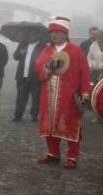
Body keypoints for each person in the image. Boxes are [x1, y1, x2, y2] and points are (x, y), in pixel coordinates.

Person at [36, 16, 90, 169]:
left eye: (57, 32)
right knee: (50, 125)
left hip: (69, 95)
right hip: (49, 95)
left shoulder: (76, 51)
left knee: (71, 125)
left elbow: (84, 72)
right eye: (52, 32)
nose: (54, 35)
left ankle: (72, 156)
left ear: (65, 33)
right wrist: (48, 67)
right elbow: (39, 66)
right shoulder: (47, 50)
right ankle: (53, 153)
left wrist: (85, 93)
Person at [12, 30, 47, 122]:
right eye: (30, 34)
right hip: (22, 76)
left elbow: (46, 60)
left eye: (33, 34)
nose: (31, 36)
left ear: (38, 35)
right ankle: (18, 115)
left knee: (36, 97)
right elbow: (15, 56)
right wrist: (20, 53)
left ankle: (34, 115)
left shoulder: (43, 46)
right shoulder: (23, 44)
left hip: (36, 77)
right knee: (20, 97)